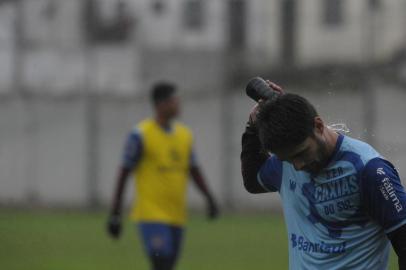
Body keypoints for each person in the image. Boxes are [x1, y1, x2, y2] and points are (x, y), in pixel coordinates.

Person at [241, 80, 406, 270]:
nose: (298, 165)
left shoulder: (369, 170)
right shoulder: (286, 163)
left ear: (318, 126)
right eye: (288, 160)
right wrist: (253, 128)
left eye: (301, 153)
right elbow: (253, 181)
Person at [107, 82, 219, 270]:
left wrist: (210, 199)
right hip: (151, 214)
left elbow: (194, 171)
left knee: (168, 265)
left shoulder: (185, 135)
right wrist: (116, 213)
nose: (178, 104)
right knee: (161, 263)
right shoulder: (140, 135)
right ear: (161, 104)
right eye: (174, 100)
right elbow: (124, 172)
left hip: (177, 215)